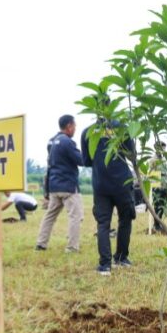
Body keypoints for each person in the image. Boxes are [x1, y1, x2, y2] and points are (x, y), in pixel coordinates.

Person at [82, 118, 136, 276]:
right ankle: (121, 257)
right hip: (122, 182)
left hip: (101, 184)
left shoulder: (88, 131)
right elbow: (131, 154)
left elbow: (86, 161)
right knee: (125, 219)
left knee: (103, 223)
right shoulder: (122, 128)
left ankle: (105, 265)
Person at [36, 115, 84, 252]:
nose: (75, 129)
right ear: (69, 126)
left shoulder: (52, 141)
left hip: (54, 186)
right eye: (74, 126)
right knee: (76, 216)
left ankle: (41, 243)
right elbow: (81, 160)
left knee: (50, 216)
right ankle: (72, 247)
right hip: (68, 186)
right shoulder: (67, 142)